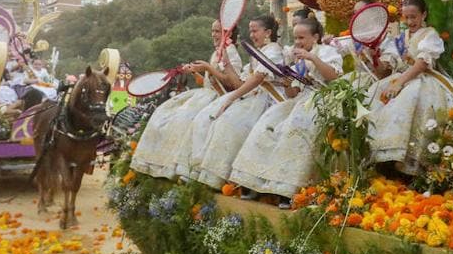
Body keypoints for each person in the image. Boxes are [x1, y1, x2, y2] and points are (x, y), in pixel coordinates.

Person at [229, 16, 343, 204]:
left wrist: (313, 58)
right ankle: (253, 181)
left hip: (324, 100)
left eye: (302, 38)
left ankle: (289, 189)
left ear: (315, 37)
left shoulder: (327, 51)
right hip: (300, 101)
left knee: (295, 128)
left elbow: (333, 77)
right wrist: (288, 82)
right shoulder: (297, 60)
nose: (297, 42)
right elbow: (291, 93)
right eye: (296, 38)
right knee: (268, 124)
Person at [132, 20, 243, 180]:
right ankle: (159, 162)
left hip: (219, 99)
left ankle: (185, 169)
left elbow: (232, 84)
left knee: (184, 118)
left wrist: (207, 68)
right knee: (165, 112)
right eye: (212, 31)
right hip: (204, 95)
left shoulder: (231, 53)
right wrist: (194, 72)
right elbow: (207, 81)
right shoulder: (218, 51)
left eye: (218, 31)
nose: (213, 35)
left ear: (229, 34)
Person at [186, 14, 286, 189]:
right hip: (253, 98)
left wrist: (231, 98)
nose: (252, 35)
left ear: (268, 32)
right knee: (213, 120)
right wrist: (227, 65)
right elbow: (240, 83)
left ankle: (239, 179)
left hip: (270, 100)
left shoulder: (274, 50)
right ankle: (212, 174)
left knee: (230, 124)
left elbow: (257, 80)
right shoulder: (257, 54)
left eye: (255, 31)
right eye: (250, 31)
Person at [367, 0, 453, 173]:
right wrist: (375, 57)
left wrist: (400, 82)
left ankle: (418, 165)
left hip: (422, 79)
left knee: (412, 102)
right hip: (400, 78)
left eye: (413, 17)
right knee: (374, 96)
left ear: (423, 15)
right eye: (406, 17)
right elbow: (386, 67)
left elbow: (422, 63)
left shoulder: (430, 34)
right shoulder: (400, 38)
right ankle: (386, 159)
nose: (409, 21)